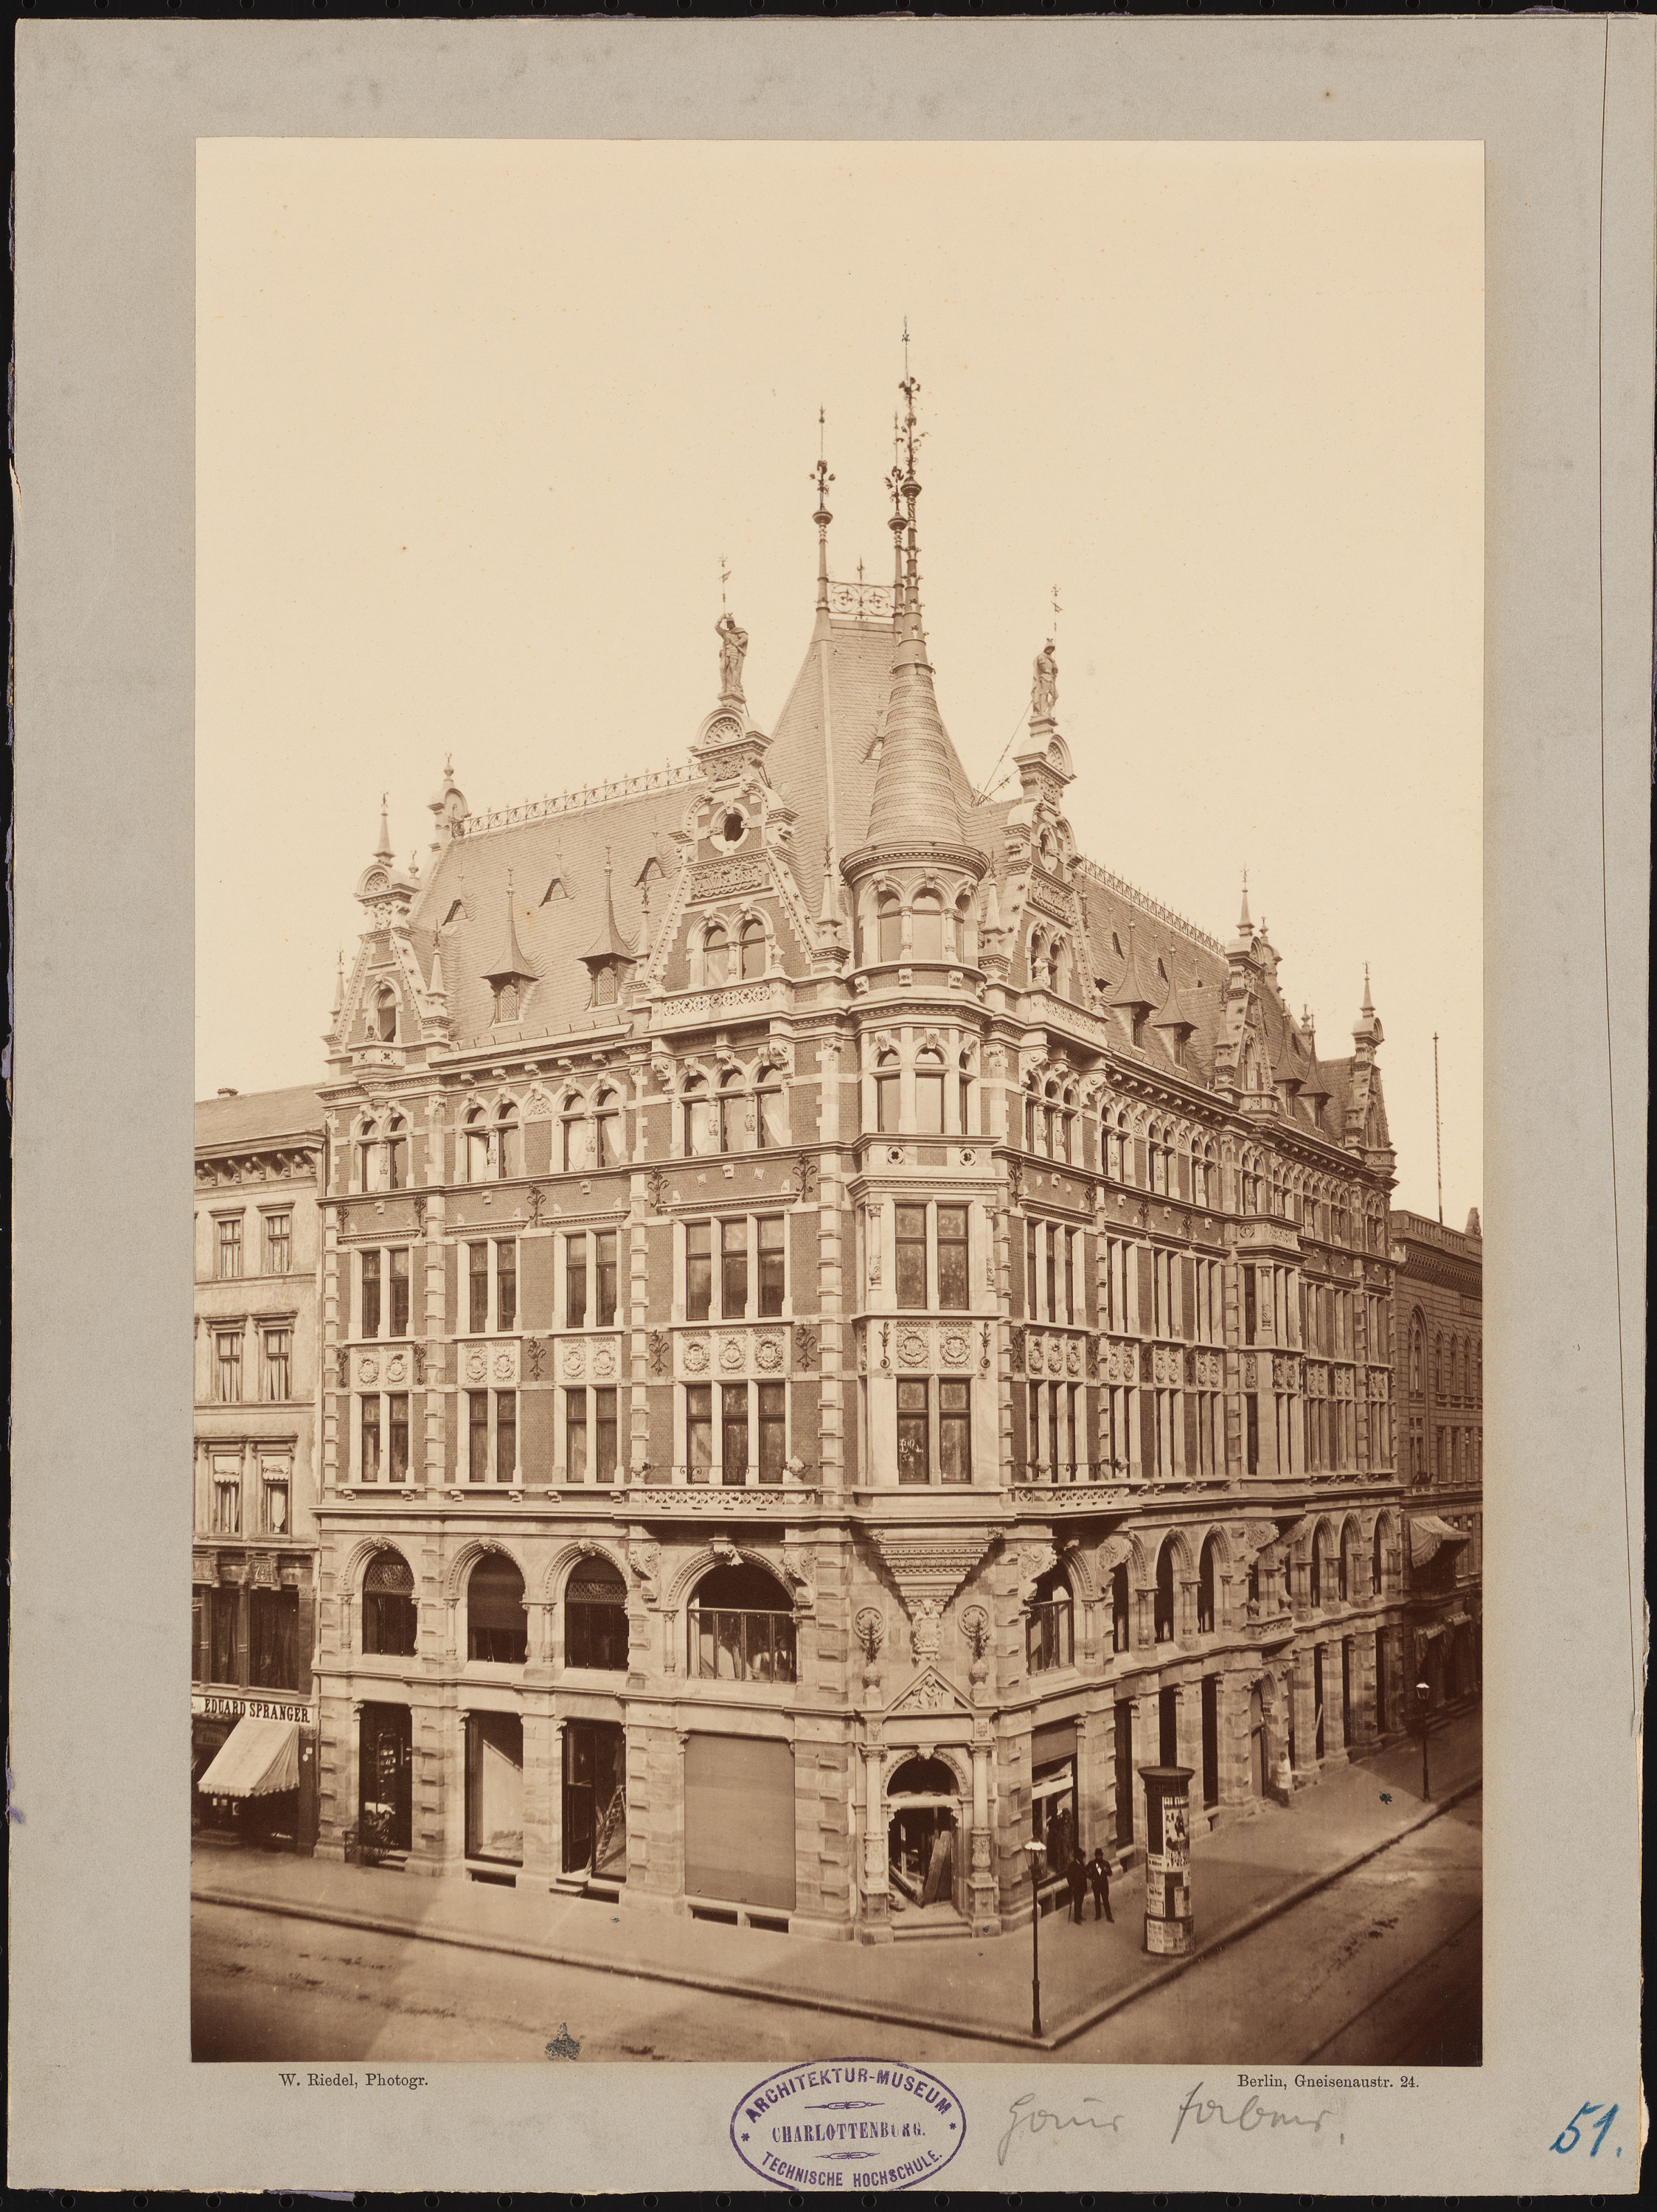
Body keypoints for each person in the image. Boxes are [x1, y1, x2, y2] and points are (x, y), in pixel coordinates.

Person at [1088, 1847, 1114, 1924]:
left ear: (1102, 1855)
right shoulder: (1091, 1864)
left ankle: (1109, 1917)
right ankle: (1098, 1915)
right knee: (1097, 1901)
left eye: (1100, 1855)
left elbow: (1110, 1874)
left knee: (1106, 1901)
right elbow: (1086, 1871)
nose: (1099, 1857)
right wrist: (1091, 1877)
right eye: (1097, 1855)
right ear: (1095, 1856)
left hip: (1104, 1886)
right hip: (1096, 1886)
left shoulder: (1106, 1863)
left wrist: (1107, 1870)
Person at [1066, 1848, 1088, 1924]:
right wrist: (1072, 1886)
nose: (1081, 1858)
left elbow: (1084, 1875)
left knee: (1081, 1901)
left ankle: (1079, 1915)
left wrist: (1085, 1886)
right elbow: (1069, 1877)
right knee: (1077, 1902)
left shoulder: (1082, 1864)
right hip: (1076, 1887)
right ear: (1077, 1857)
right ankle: (1076, 1918)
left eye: (1081, 1857)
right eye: (1080, 1857)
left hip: (1082, 1887)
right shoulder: (1072, 1866)